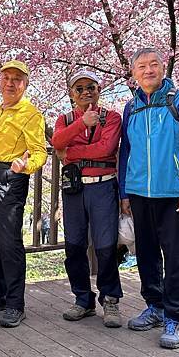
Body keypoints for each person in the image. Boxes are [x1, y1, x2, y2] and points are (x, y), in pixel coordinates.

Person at [118, 48, 179, 349]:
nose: (148, 70)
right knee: (147, 254)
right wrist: (124, 192)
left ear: (163, 68)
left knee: (177, 256)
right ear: (134, 74)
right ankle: (154, 306)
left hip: (174, 195)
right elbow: (125, 151)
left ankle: (175, 316)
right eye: (142, 66)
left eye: (154, 64)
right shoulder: (131, 108)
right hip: (140, 193)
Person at [51, 69, 123, 328]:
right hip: (74, 190)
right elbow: (57, 141)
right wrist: (82, 124)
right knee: (74, 246)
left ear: (99, 89)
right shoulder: (66, 118)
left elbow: (106, 148)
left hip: (103, 187)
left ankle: (111, 298)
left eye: (90, 87)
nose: (85, 92)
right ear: (72, 94)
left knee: (105, 247)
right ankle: (83, 299)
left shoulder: (112, 117)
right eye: (79, 88)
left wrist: (71, 152)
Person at [0, 59, 47, 328]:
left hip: (10, 177)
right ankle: (0, 295)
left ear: (25, 84)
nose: (10, 83)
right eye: (6, 78)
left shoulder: (31, 114)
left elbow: (40, 152)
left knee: (9, 243)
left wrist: (24, 165)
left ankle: (16, 304)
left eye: (17, 79)